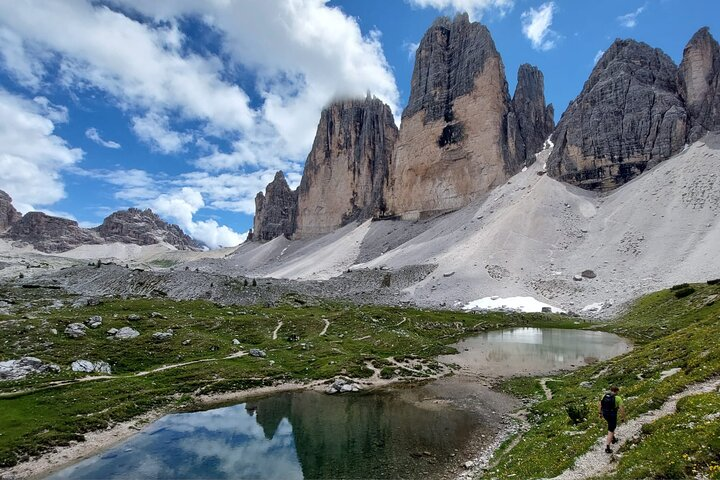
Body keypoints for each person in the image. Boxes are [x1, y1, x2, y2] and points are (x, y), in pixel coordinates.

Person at [599, 385, 626, 453]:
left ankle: (613, 439)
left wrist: (600, 413)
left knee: (610, 425)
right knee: (611, 430)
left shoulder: (604, 396)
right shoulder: (618, 398)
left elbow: (600, 404)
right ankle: (607, 447)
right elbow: (621, 408)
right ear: (616, 391)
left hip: (605, 414)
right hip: (612, 415)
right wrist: (622, 417)